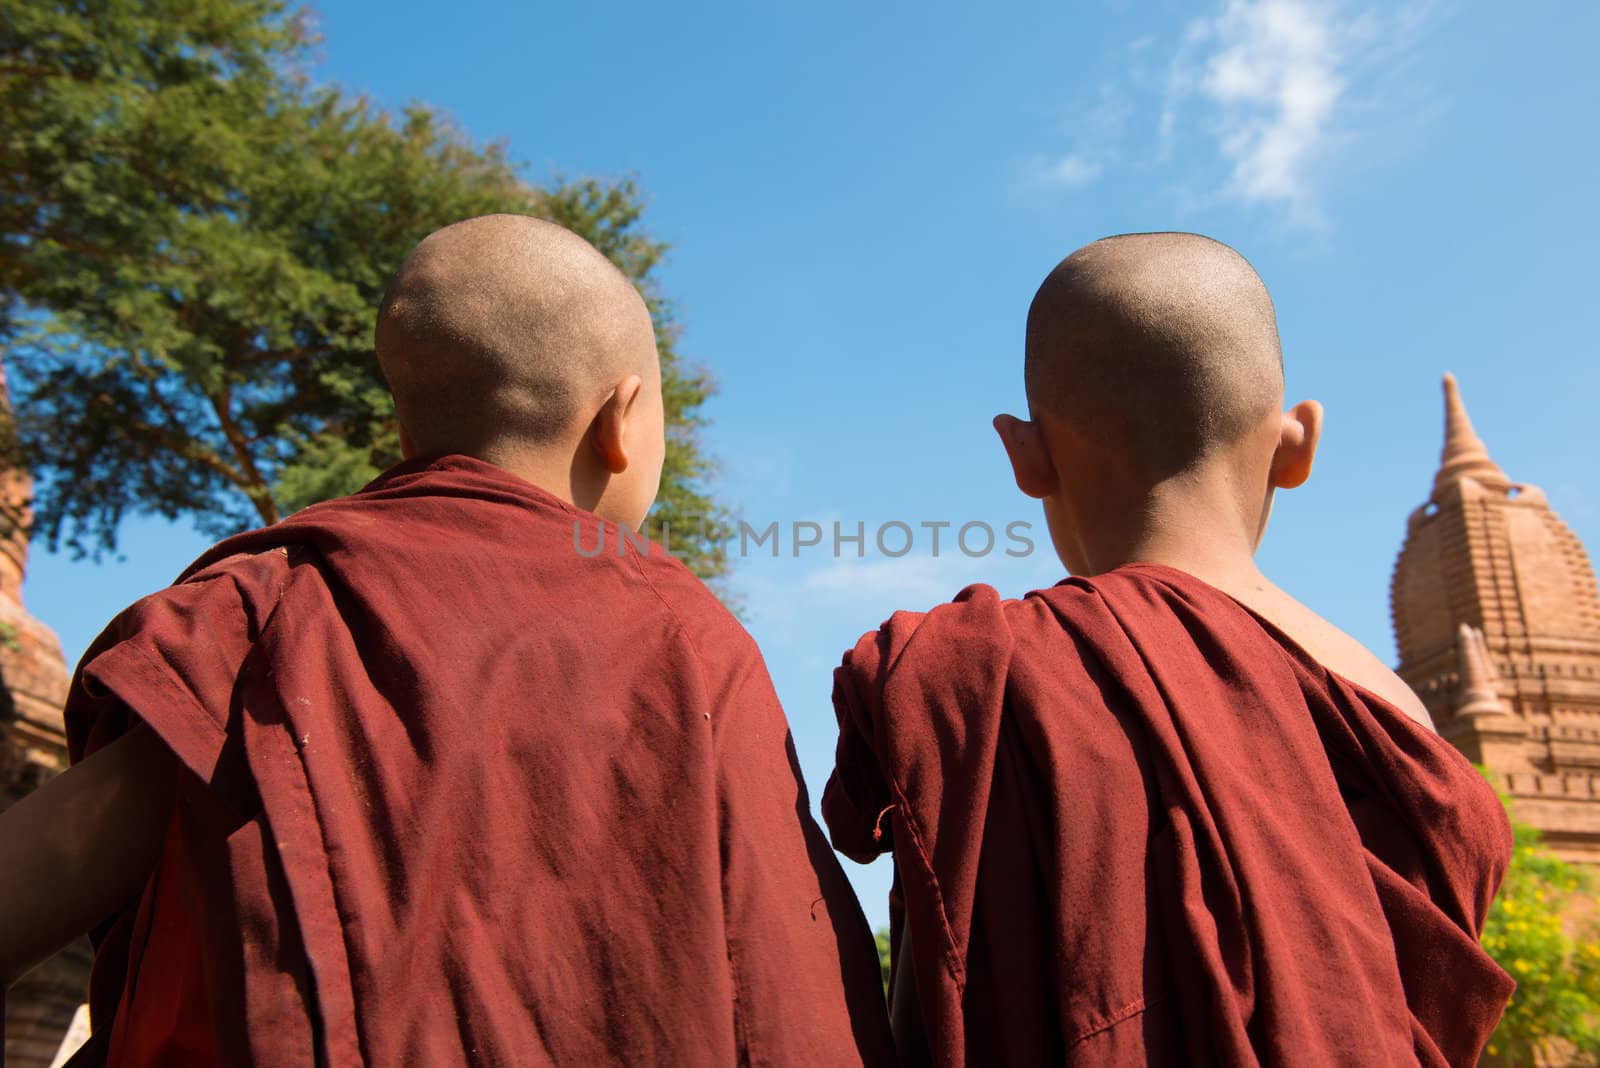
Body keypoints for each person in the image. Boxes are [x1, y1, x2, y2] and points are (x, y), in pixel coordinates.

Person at [0, 215, 894, 1066]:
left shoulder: (258, 611)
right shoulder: (683, 635)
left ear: (403, 425)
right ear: (620, 423)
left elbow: (33, 882)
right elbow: (781, 992)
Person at [822, 232, 1514, 1067]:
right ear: (1299, 444)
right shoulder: (1395, 716)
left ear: (1025, 454)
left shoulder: (974, 684)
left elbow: (927, 1012)